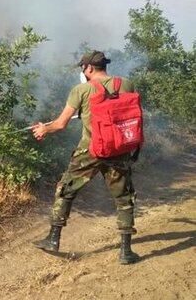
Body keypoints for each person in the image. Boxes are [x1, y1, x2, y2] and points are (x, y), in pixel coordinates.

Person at [31, 50, 140, 265]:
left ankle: (53, 239)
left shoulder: (81, 89)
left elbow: (61, 124)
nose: (83, 71)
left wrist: (44, 129)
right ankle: (125, 252)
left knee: (66, 189)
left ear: (88, 68)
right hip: (119, 149)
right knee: (124, 198)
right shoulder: (126, 84)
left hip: (90, 150)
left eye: (83, 68)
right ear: (104, 66)